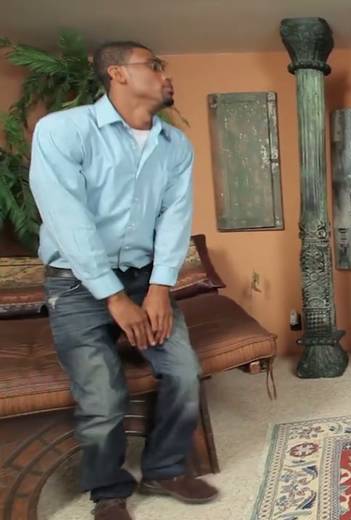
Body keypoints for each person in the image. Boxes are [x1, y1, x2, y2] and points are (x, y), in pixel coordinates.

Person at [29, 41, 218, 520]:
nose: (165, 74)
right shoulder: (63, 131)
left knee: (182, 370)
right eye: (154, 65)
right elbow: (67, 218)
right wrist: (114, 298)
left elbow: (174, 219)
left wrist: (159, 289)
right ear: (117, 73)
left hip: (143, 278)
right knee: (102, 395)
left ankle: (164, 469)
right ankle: (108, 492)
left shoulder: (175, 146)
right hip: (75, 283)